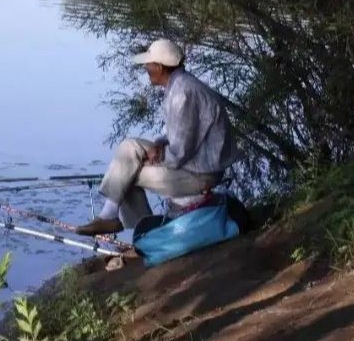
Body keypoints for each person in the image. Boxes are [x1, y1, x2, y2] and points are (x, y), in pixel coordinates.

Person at [77, 39, 239, 236]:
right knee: (129, 147)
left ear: (160, 67)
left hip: (201, 173)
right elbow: (174, 131)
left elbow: (180, 153)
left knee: (129, 176)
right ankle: (109, 215)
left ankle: (143, 234)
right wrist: (158, 143)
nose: (146, 68)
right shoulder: (178, 85)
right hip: (190, 162)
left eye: (149, 64)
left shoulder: (184, 93)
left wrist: (155, 160)